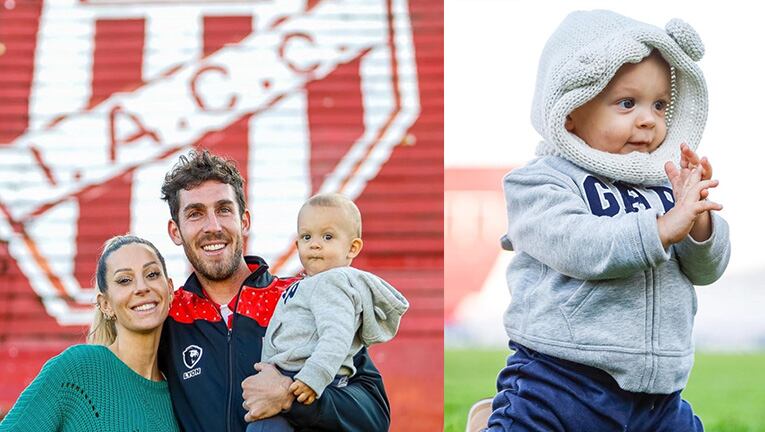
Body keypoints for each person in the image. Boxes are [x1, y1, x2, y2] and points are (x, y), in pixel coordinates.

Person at [486, 10, 731, 431]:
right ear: (570, 111)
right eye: (627, 103)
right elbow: (579, 245)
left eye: (660, 105)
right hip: (559, 381)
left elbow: (706, 271)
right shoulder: (539, 182)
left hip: (659, 395)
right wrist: (659, 230)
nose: (648, 119)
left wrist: (696, 223)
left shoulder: (664, 182)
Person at [157, 150, 391, 432]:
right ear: (175, 231)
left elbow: (374, 414)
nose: (213, 227)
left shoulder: (299, 297)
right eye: (195, 214)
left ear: (244, 221)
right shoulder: (167, 317)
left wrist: (290, 398)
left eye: (224, 209)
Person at [248, 193, 409, 431]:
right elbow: (280, 332)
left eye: (328, 236)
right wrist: (268, 369)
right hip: (290, 375)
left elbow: (337, 336)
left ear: (352, 247)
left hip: (310, 377)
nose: (315, 244)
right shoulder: (305, 285)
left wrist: (313, 377)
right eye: (306, 236)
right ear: (297, 245)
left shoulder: (332, 283)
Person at [0, 235, 179, 431]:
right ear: (106, 305)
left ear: (169, 289)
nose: (142, 287)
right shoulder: (78, 369)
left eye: (152, 274)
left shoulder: (183, 395)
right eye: (125, 280)